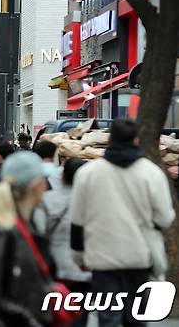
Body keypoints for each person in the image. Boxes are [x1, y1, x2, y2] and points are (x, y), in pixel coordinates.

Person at [70, 119, 175, 327]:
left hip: (102, 258)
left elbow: (77, 220)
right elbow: (164, 218)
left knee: (108, 317)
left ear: (109, 140)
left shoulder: (88, 173)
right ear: (136, 141)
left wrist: (79, 256)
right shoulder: (151, 173)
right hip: (140, 257)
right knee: (135, 317)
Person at [0, 151, 53, 326]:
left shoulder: (25, 227)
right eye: (44, 181)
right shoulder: (1, 234)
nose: (47, 187)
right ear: (36, 185)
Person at [33, 157, 91, 327]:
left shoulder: (46, 200)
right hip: (85, 271)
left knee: (54, 316)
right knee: (80, 317)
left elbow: (38, 233)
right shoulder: (94, 202)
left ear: (63, 176)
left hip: (54, 270)